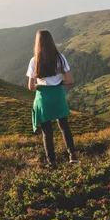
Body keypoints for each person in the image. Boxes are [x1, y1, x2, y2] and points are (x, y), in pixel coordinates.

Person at [26, 29, 78, 167]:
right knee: (64, 127)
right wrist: (57, 83)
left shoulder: (34, 61)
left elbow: (31, 87)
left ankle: (52, 162)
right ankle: (72, 155)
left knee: (47, 133)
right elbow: (69, 80)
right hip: (58, 96)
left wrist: (42, 85)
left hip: (43, 98)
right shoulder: (60, 58)